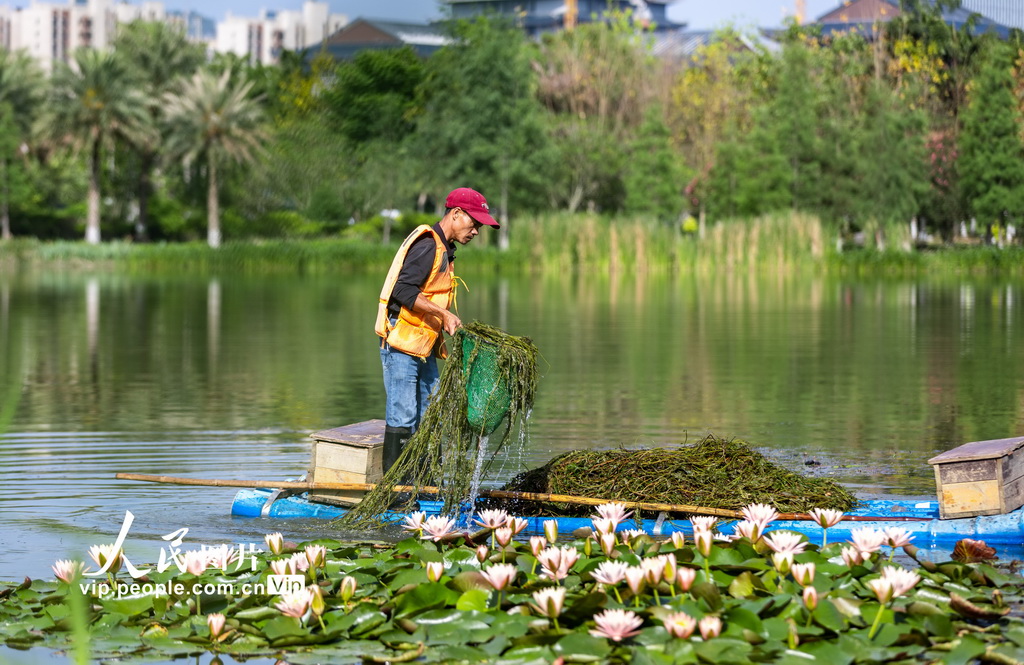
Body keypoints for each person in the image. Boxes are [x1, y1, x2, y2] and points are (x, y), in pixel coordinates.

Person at [374, 187, 500, 472]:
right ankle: (397, 487)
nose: (476, 231)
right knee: (404, 415)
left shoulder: (445, 249)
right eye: (474, 223)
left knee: (431, 412)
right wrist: (443, 314)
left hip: (423, 345)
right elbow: (402, 291)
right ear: (456, 214)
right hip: (401, 343)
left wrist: (445, 320)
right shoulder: (428, 245)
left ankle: (425, 483)